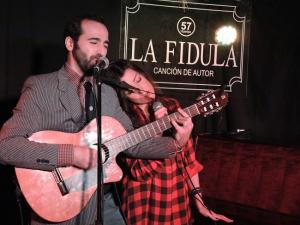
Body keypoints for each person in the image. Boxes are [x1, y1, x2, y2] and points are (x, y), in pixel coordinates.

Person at [0, 14, 194, 225]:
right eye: (93, 42)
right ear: (70, 43)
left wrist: (177, 143)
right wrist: (72, 154)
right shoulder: (40, 87)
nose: (101, 50)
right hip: (53, 205)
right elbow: (6, 147)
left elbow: (134, 144)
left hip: (96, 207)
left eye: (105, 44)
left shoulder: (108, 93)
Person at [104, 59, 234, 225]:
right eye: (131, 91)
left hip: (176, 200)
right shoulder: (123, 121)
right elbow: (140, 173)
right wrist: (158, 131)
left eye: (139, 80)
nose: (142, 90)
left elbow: (189, 160)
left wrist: (200, 203)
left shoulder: (172, 106)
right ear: (123, 96)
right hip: (144, 204)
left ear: (145, 75)